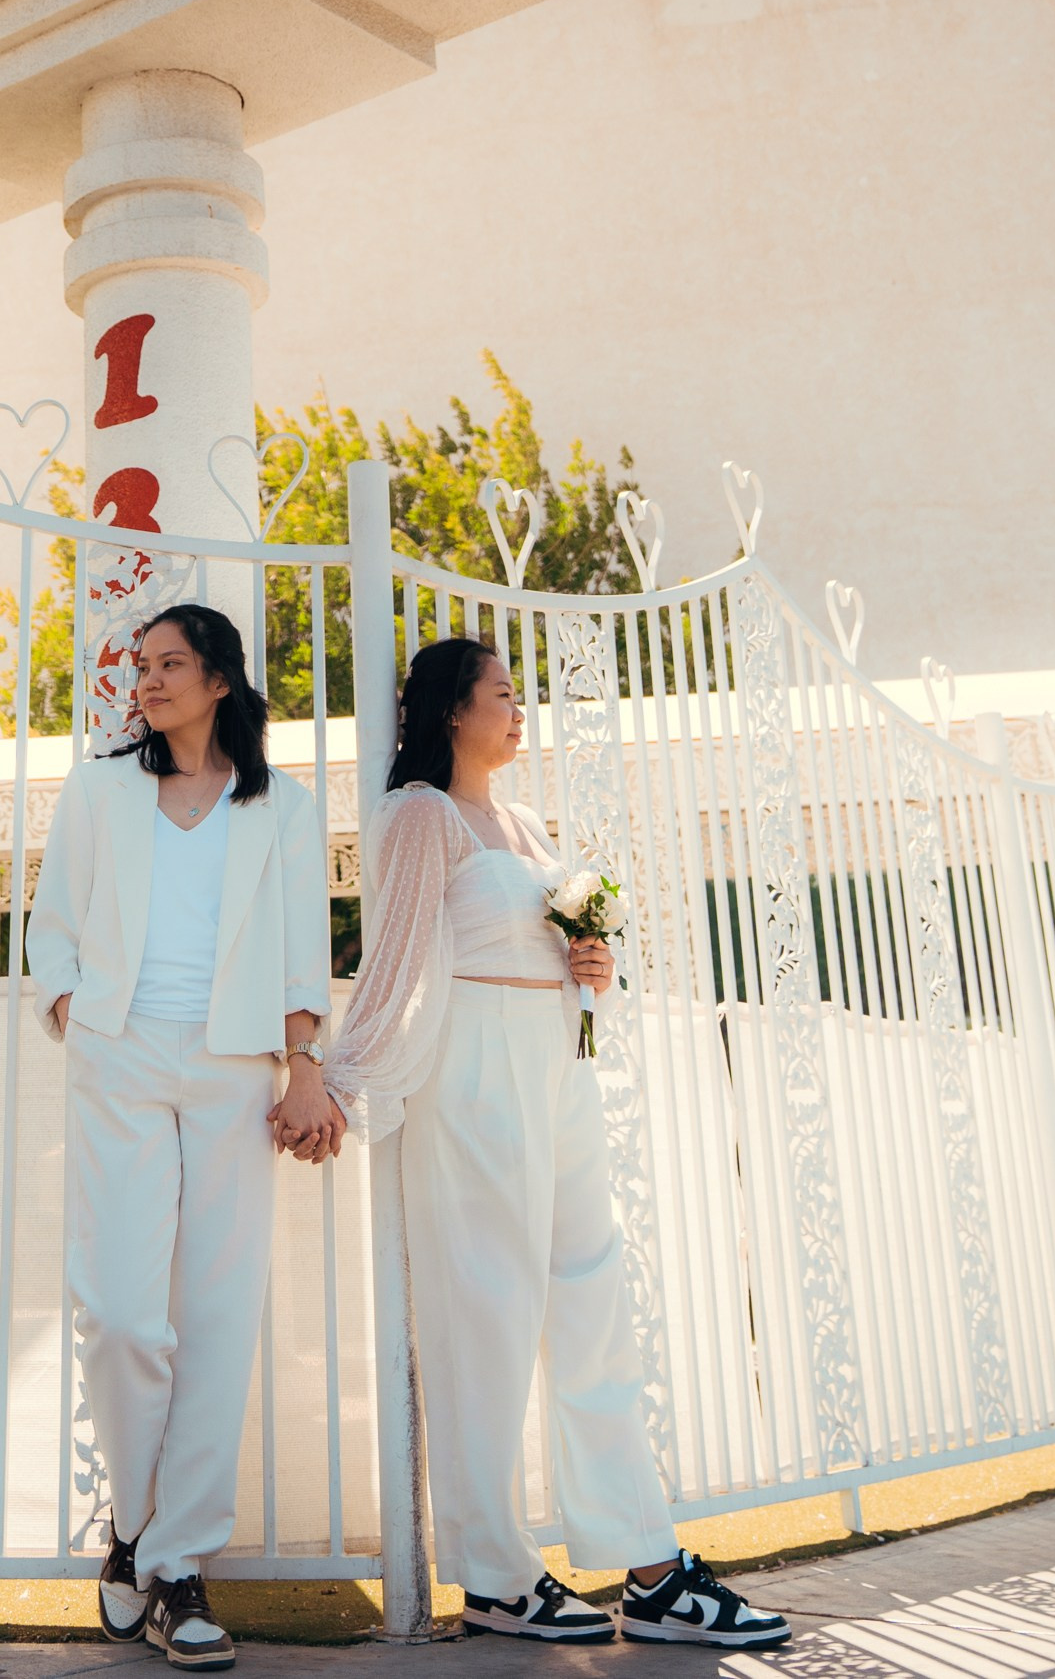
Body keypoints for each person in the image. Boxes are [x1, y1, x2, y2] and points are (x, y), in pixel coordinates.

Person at [323, 637, 790, 1652]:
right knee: (487, 1317)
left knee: (594, 1303)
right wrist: (332, 1075)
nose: (516, 708)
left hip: (556, 1066)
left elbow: (541, 955)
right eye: (501, 693)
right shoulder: (418, 817)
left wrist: (586, 963)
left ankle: (649, 1565)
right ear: (452, 710)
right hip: (474, 1077)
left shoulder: (525, 825)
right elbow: (392, 959)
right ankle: (494, 1574)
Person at [27, 601, 338, 1669]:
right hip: (117, 1054)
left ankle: (175, 1565)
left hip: (233, 1068)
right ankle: (137, 1524)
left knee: (214, 1315)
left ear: (218, 680)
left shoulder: (280, 806)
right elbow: (53, 922)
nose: (148, 681)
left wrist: (303, 1067)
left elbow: (303, 943)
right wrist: (72, 1012)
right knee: (118, 1313)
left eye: (170, 664)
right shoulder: (101, 788)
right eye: (141, 664)